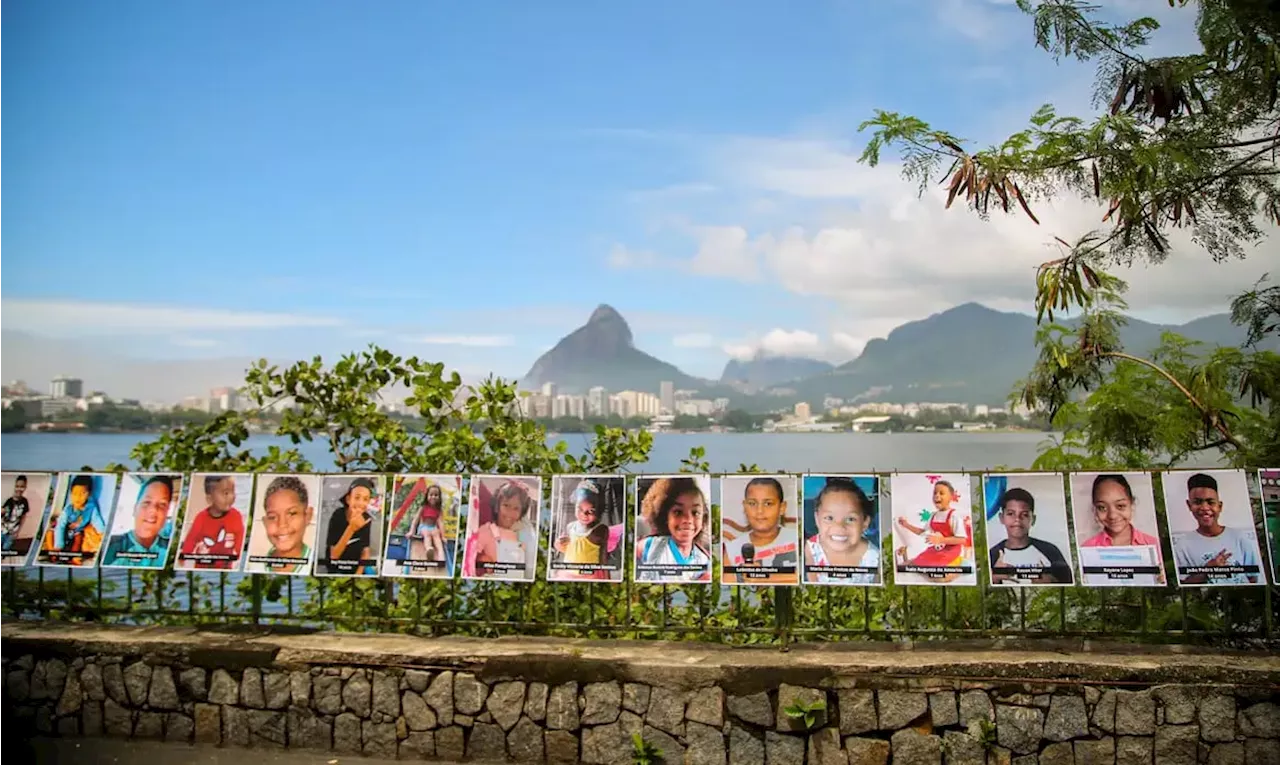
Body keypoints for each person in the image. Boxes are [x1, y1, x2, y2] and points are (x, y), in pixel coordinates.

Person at [1172, 472, 1260, 585]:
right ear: (1189, 505)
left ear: (1220, 506)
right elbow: (1184, 583)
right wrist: (1208, 570)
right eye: (1198, 502)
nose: (1204, 508)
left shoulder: (1239, 538)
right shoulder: (1182, 546)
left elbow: (1252, 578)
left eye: (1210, 502)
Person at [1079, 473, 1164, 585]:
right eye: (1102, 507)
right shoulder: (1087, 548)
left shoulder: (1153, 544)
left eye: (1120, 506)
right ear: (1095, 509)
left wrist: (1161, 581)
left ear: (1132, 504)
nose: (1112, 515)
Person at [987, 487, 1072, 585]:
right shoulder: (993, 555)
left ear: (1033, 519)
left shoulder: (1050, 551)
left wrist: (1051, 581)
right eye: (1011, 514)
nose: (1017, 519)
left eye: (1024, 514)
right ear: (1002, 518)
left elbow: (1068, 582)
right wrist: (995, 577)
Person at [803, 477, 880, 584]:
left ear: (865, 522)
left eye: (850, 519)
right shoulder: (812, 548)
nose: (839, 527)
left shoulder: (874, 558)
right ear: (817, 519)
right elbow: (812, 581)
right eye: (829, 518)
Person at [721, 477, 798, 584]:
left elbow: (810, 576)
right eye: (752, 503)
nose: (760, 511)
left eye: (768, 504)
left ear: (782, 508)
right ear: (744, 506)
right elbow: (729, 590)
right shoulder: (732, 550)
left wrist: (764, 577)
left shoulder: (797, 540)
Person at [635, 477, 712, 582]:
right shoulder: (650, 546)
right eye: (678, 512)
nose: (688, 520)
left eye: (695, 512)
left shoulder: (703, 560)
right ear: (665, 516)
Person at [894, 479, 971, 583]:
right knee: (911, 565)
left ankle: (960, 568)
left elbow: (962, 540)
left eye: (941, 493)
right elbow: (923, 532)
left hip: (950, 553)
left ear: (951, 497)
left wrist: (941, 540)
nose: (937, 495)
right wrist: (906, 525)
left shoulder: (954, 516)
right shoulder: (933, 515)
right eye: (935, 493)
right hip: (935, 551)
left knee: (938, 577)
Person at [468, 480, 535, 578]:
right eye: (506, 505)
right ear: (496, 507)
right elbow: (471, 553)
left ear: (521, 513)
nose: (510, 512)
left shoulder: (521, 533)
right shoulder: (487, 530)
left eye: (516, 508)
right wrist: (482, 558)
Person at [103, 476, 174, 568]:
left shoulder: (172, 550)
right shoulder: (109, 547)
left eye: (162, 504)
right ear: (134, 509)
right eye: (147, 502)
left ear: (167, 513)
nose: (153, 509)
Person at [178, 475, 244, 569]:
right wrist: (184, 555)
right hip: (203, 564)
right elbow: (191, 539)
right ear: (210, 499)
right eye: (226, 493)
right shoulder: (201, 518)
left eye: (233, 491)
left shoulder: (236, 516)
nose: (231, 496)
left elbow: (240, 537)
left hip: (225, 565)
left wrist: (238, 554)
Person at [44, 474, 107, 565]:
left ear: (89, 494)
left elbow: (97, 520)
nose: (78, 497)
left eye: (83, 493)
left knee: (79, 538)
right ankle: (52, 552)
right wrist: (59, 545)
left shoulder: (91, 508)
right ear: (71, 494)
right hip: (64, 530)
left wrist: (102, 532)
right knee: (50, 533)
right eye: (75, 494)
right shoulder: (68, 509)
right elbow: (60, 526)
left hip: (76, 532)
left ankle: (73, 556)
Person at [554, 479, 610, 580]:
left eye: (591, 511)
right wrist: (559, 545)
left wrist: (607, 580)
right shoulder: (570, 526)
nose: (584, 514)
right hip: (567, 573)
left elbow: (603, 558)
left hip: (589, 576)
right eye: (580, 509)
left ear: (599, 511)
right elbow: (569, 549)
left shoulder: (600, 530)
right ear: (574, 505)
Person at [259, 476, 314, 574]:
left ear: (307, 516)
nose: (282, 524)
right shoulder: (256, 564)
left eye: (292, 513)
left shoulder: (314, 563)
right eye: (272, 517)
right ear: (265, 522)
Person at [323, 477, 378, 575]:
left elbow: (365, 550)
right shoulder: (338, 515)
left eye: (365, 499)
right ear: (348, 499)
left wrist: (358, 574)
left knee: (372, 572)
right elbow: (334, 555)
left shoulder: (366, 518)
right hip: (338, 565)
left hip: (356, 564)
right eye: (357, 497)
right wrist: (351, 528)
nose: (361, 503)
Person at [408, 482, 448, 565]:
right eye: (431, 494)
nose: (433, 497)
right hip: (423, 527)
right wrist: (411, 531)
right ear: (427, 496)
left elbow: (441, 523)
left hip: (433, 527)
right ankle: (429, 549)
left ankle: (441, 556)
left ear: (439, 497)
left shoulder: (439, 510)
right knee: (427, 534)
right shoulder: (423, 507)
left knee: (437, 535)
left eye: (436, 495)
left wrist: (443, 536)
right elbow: (415, 520)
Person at [0, 475, 30, 552]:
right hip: (2, 530)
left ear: (25, 487)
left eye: (22, 486)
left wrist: (18, 532)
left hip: (12, 533)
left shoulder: (25, 502)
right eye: (17, 486)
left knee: (5, 551)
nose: (19, 489)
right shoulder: (9, 500)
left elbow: (23, 518)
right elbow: (2, 512)